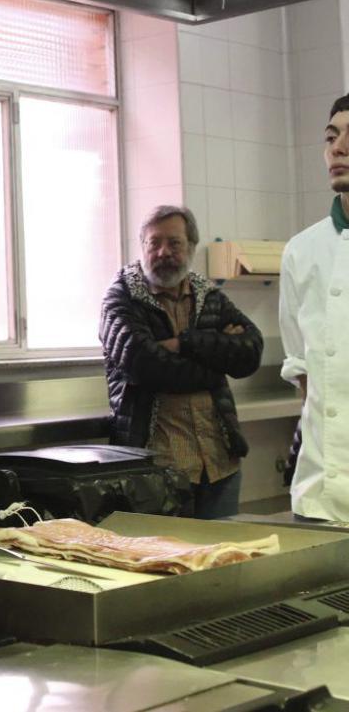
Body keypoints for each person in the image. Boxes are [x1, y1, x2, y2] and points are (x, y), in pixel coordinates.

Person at [100, 205, 263, 519]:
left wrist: (183, 343)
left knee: (224, 561)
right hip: (157, 469)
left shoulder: (208, 295)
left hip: (219, 464)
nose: (164, 252)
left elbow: (250, 352)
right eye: (154, 243)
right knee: (169, 564)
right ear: (142, 247)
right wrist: (217, 362)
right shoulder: (120, 298)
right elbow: (147, 366)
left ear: (191, 247)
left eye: (174, 243)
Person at [280, 93, 349, 521]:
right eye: (331, 137)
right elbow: (301, 366)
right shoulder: (301, 251)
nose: (338, 148)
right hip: (318, 498)